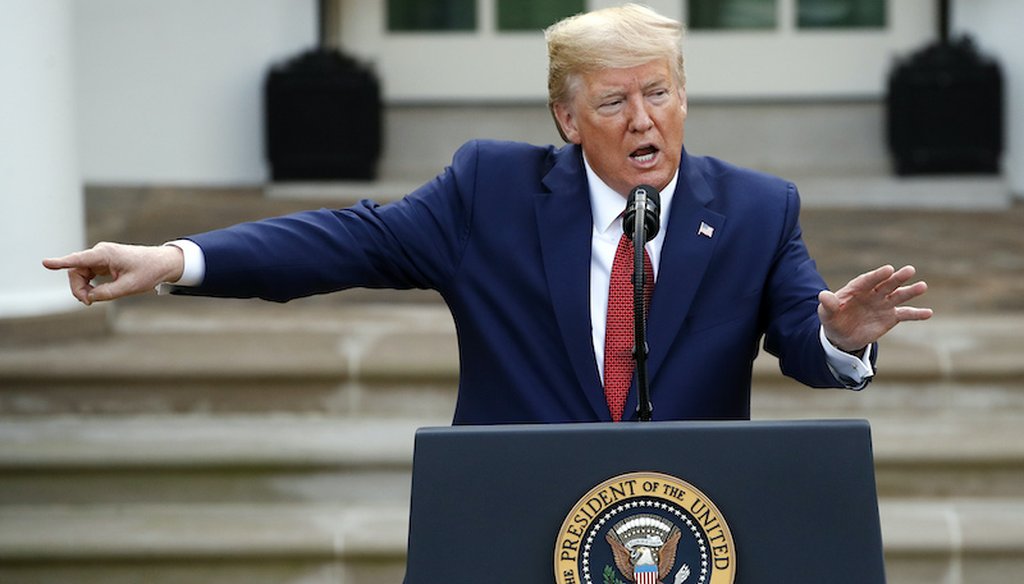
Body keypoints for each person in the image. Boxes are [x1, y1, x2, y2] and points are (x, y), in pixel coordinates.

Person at [43, 5, 931, 424]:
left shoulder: (755, 209)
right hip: (516, 522)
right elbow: (345, 242)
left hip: (685, 529)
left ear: (685, 98)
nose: (643, 120)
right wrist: (174, 259)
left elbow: (806, 348)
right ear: (565, 118)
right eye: (614, 102)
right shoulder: (489, 192)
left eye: (658, 93)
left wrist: (843, 336)